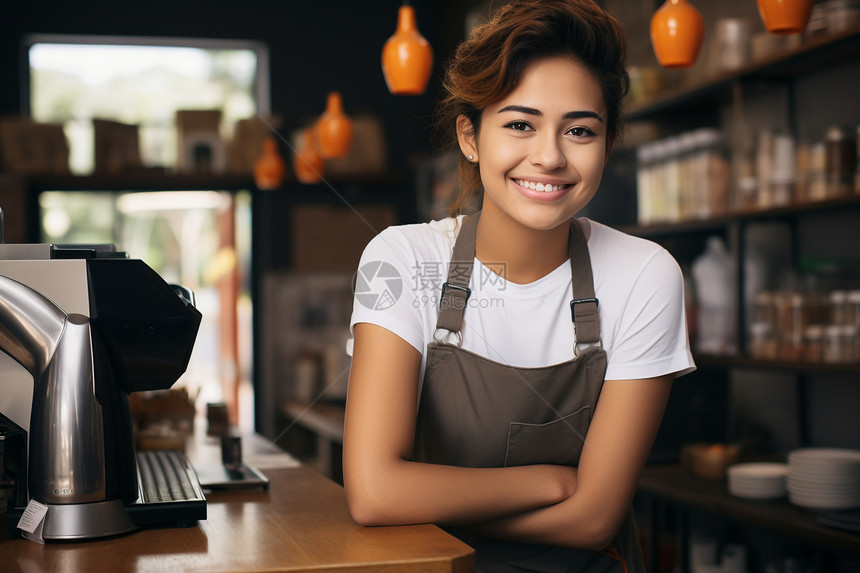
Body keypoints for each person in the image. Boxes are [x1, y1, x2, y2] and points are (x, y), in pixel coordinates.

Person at [343, 0, 695, 570]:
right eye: (519, 124)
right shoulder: (403, 258)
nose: (550, 156)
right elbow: (373, 492)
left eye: (580, 129)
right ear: (470, 137)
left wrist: (430, 502)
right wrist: (552, 482)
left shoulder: (645, 274)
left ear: (607, 144)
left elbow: (595, 520)